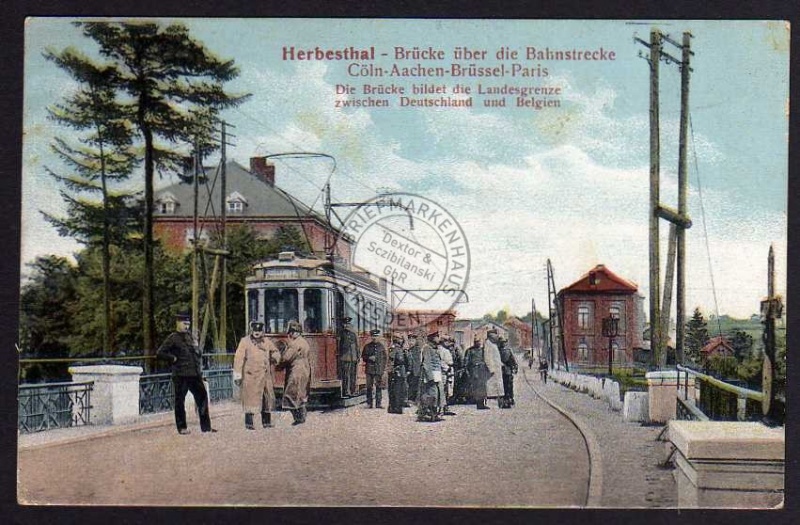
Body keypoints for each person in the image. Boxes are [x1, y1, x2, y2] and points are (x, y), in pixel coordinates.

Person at [156, 312, 216, 434]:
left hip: (194, 374)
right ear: (178, 323)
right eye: (184, 323)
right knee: (179, 401)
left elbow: (196, 353)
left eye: (188, 324)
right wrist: (173, 358)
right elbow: (160, 353)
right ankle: (182, 428)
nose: (187, 326)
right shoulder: (172, 338)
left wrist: (197, 350)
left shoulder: (189, 337)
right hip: (180, 375)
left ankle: (206, 427)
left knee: (202, 397)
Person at [233, 321, 280, 430]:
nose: (257, 333)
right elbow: (238, 358)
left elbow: (275, 351)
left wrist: (275, 357)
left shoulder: (267, 342)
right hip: (251, 376)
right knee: (250, 399)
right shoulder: (245, 342)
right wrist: (237, 374)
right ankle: (249, 423)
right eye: (255, 330)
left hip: (264, 376)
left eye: (259, 331)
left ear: (262, 331)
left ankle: (266, 422)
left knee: (266, 399)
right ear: (251, 331)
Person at [277, 320, 311, 425]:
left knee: (290, 394)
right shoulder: (304, 342)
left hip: (296, 371)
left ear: (293, 332)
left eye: (290, 333)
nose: (290, 335)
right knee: (300, 394)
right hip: (305, 369)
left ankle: (299, 418)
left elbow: (286, 358)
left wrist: (278, 361)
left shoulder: (294, 344)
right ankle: (301, 417)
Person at [417, 331, 444, 422]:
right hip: (430, 377)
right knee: (431, 395)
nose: (438, 339)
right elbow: (426, 364)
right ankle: (427, 414)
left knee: (436, 395)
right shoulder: (427, 348)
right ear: (432, 338)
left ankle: (434, 414)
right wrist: (430, 378)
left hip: (436, 376)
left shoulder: (434, 348)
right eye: (437, 337)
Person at [361, 329, 388, 408]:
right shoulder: (367, 346)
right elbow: (363, 357)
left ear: (378, 337)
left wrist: (382, 369)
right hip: (369, 370)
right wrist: (369, 358)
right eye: (373, 336)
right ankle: (369, 403)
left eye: (376, 336)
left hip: (378, 369)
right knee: (369, 387)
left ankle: (378, 403)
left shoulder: (381, 347)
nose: (374, 338)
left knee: (378, 387)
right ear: (371, 337)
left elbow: (384, 359)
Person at [464, 336, 490, 409]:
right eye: (476, 342)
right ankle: (478, 402)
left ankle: (482, 402)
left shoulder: (483, 350)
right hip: (474, 370)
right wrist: (467, 371)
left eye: (478, 341)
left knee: (483, 387)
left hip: (482, 370)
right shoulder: (470, 351)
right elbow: (466, 361)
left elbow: (487, 360)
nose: (477, 343)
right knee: (476, 387)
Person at [387, 334, 409, 414]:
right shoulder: (394, 349)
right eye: (400, 339)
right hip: (397, 371)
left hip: (401, 371)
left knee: (400, 390)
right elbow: (391, 361)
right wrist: (392, 371)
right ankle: (395, 407)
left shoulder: (401, 349)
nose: (402, 341)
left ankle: (398, 406)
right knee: (396, 390)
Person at [338, 317, 359, 397]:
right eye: (345, 324)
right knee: (346, 375)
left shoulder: (353, 334)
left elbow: (357, 345)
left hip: (353, 357)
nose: (347, 325)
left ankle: (352, 391)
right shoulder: (342, 333)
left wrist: (357, 356)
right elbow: (340, 346)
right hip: (345, 357)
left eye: (348, 324)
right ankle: (346, 391)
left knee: (353, 374)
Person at [484, 329, 505, 407]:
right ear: (491, 336)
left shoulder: (493, 344)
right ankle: (492, 403)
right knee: (492, 387)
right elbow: (487, 358)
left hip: (497, 369)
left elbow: (496, 357)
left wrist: (501, 364)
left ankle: (499, 402)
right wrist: (491, 369)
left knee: (498, 386)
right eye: (495, 335)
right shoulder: (488, 344)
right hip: (492, 371)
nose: (497, 337)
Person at [437, 335, 456, 416]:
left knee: (448, 390)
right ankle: (442, 408)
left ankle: (445, 407)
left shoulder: (447, 350)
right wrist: (447, 369)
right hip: (444, 372)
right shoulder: (441, 350)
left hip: (449, 371)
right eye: (447, 341)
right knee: (443, 390)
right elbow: (440, 361)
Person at [498, 337, 519, 408]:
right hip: (499, 371)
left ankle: (510, 399)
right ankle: (503, 400)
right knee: (501, 387)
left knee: (509, 386)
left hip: (507, 371)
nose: (503, 344)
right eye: (501, 342)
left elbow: (513, 359)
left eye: (504, 342)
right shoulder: (497, 351)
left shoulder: (508, 350)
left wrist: (515, 367)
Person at [406, 332, 422, 403]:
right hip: (411, 370)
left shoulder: (418, 350)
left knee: (415, 385)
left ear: (415, 341)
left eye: (412, 341)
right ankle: (411, 398)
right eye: (409, 341)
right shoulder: (409, 350)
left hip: (417, 370)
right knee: (410, 384)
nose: (411, 342)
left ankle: (413, 399)